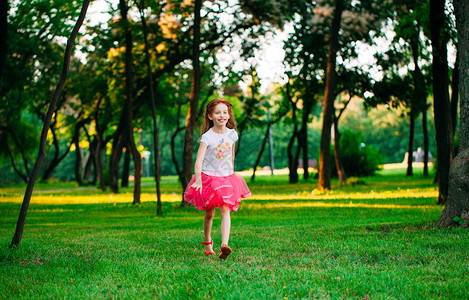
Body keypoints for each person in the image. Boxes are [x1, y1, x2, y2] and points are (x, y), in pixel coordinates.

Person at [184, 98, 251, 259]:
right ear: (210, 116)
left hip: (226, 178)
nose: (221, 115)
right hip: (208, 178)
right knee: (210, 214)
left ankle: (224, 245)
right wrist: (199, 180)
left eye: (224, 112)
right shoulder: (207, 137)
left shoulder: (232, 134)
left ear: (229, 116)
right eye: (217, 112)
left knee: (225, 209)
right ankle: (208, 243)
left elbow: (231, 155)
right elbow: (199, 160)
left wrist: (232, 173)